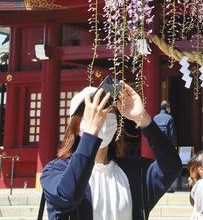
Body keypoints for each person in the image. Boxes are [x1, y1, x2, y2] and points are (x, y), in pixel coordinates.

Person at [41, 83, 182, 220]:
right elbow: (68, 195)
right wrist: (91, 134)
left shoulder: (134, 172)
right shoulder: (55, 171)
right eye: (95, 112)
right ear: (77, 126)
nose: (102, 116)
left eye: (109, 110)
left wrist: (144, 119)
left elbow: (172, 167)